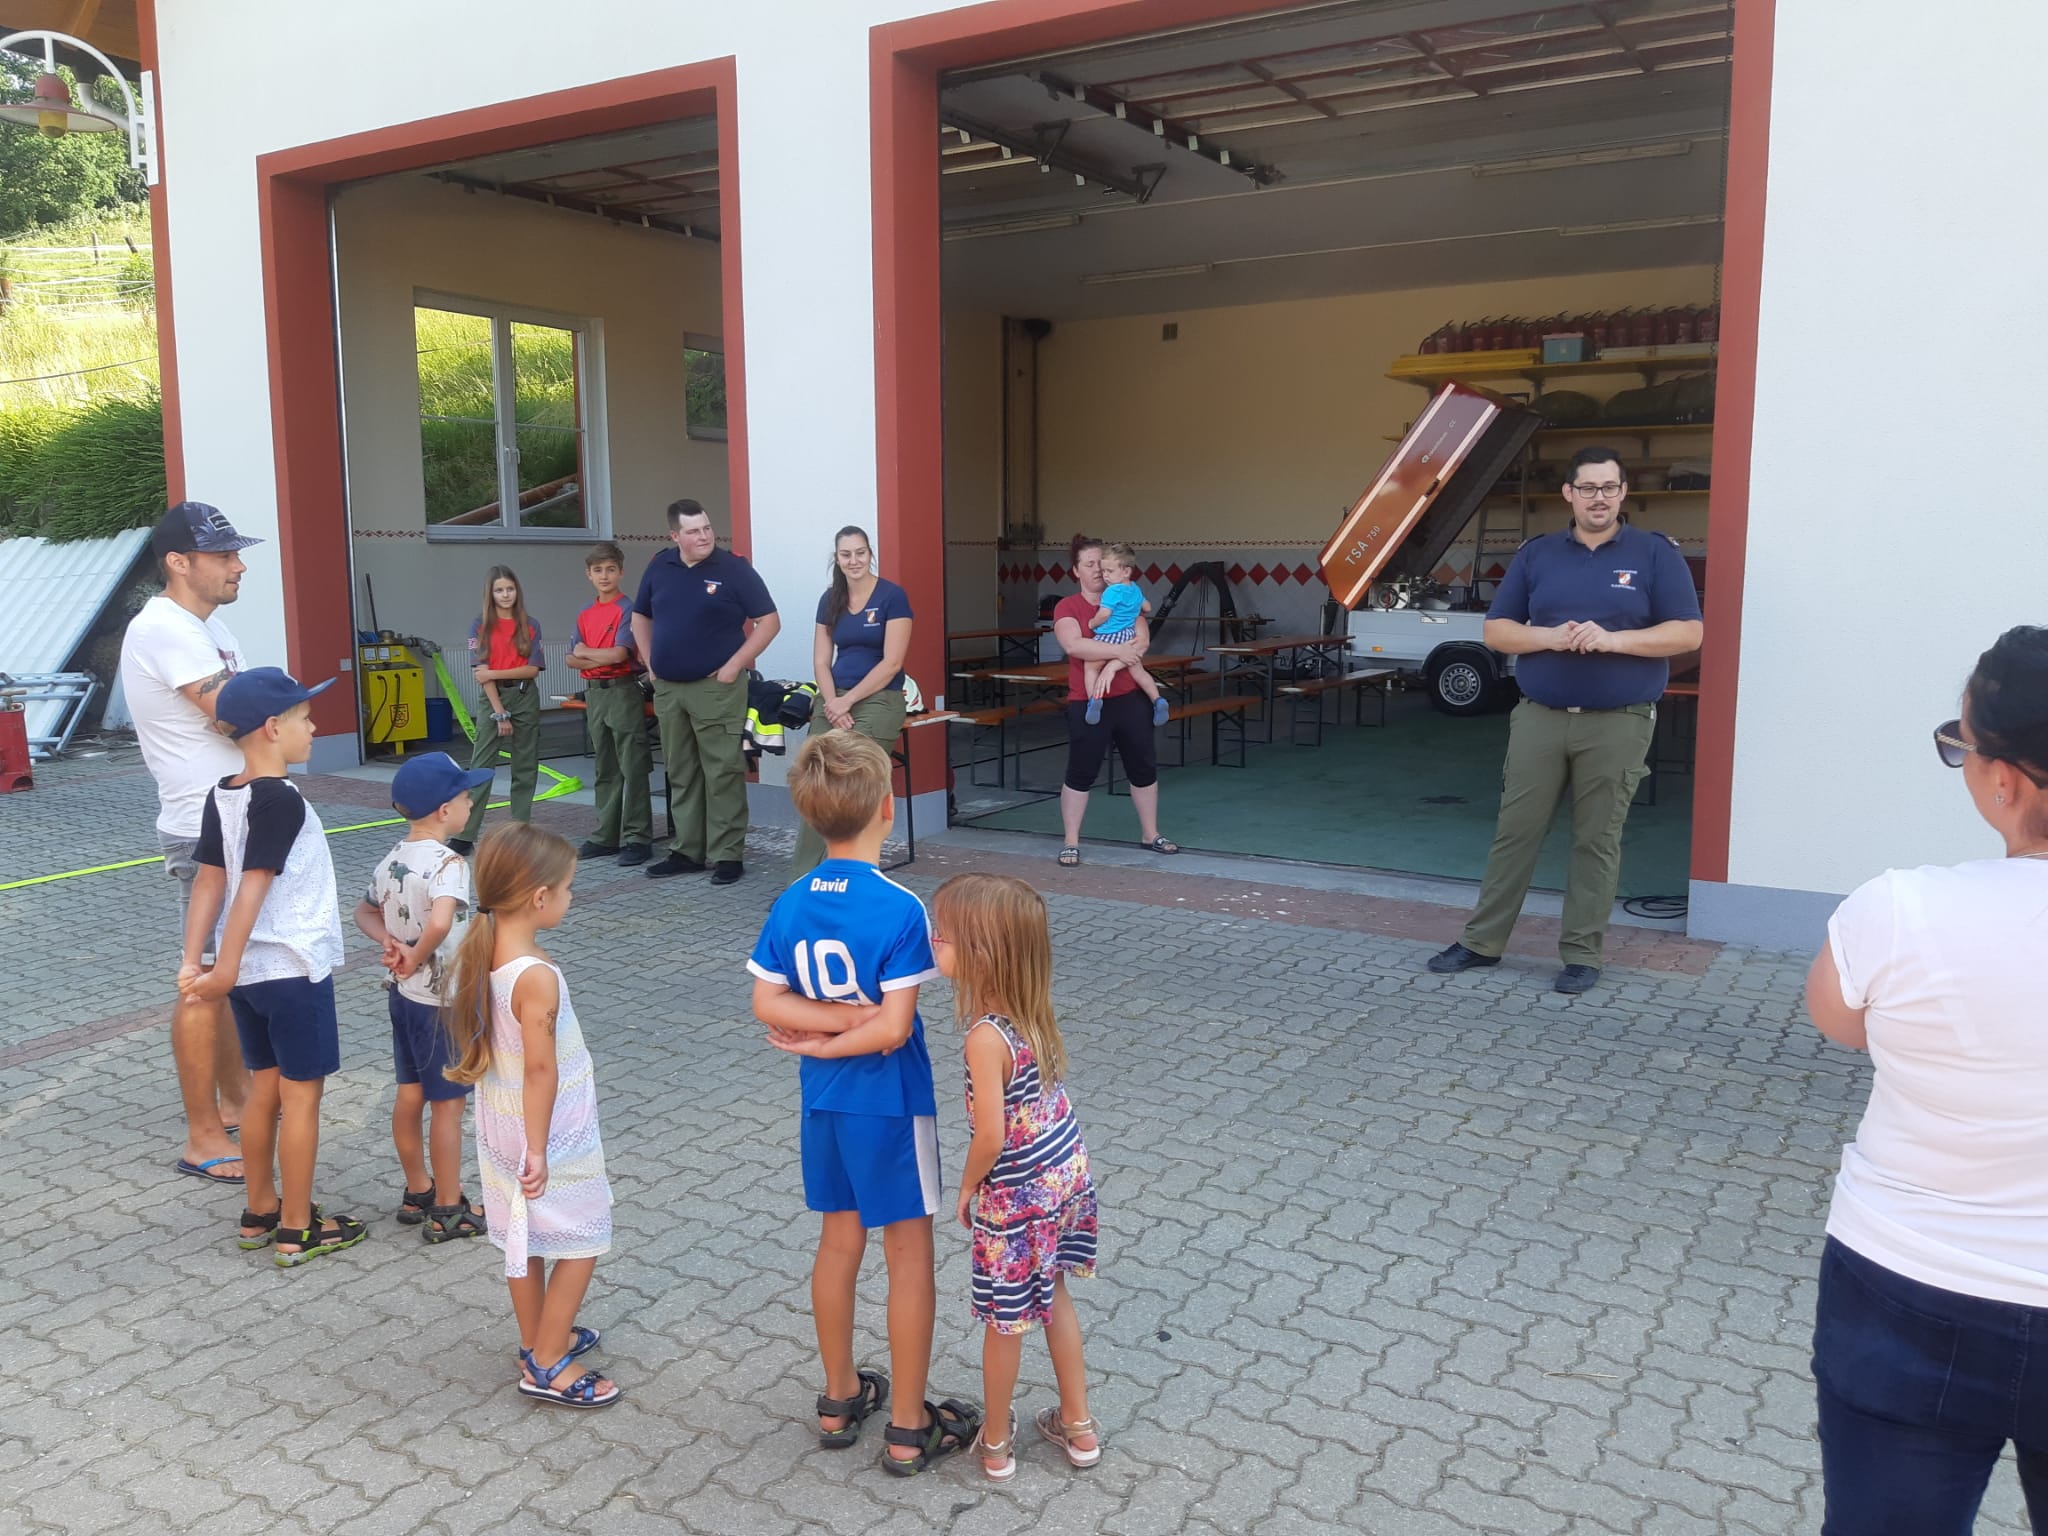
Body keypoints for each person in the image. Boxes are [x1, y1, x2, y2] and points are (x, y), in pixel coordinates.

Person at [1803, 626, 2048, 1534]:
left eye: (1961, 744)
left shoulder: (1899, 909)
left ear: (2004, 780)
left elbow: (1840, 1023)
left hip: (1906, 1291)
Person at [750, 731, 981, 1474]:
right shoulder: (899, 906)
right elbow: (893, 1027)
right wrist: (853, 1028)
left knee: (837, 1241)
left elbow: (766, 1002)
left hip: (822, 1102)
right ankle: (909, 1426)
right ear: (887, 808)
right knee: (907, 1252)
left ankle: (839, 1396)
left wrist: (821, 1035)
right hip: (890, 1103)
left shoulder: (791, 898)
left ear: (811, 815)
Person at [1425, 448, 1702, 994]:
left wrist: (1613, 641)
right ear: (1569, 494)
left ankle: (1582, 955)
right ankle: (1482, 943)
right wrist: (1551, 636)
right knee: (1515, 834)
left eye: (1609, 487)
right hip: (1540, 719)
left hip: (1619, 722)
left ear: (1623, 493)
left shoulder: (1655, 554)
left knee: (1597, 841)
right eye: (1588, 488)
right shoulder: (1537, 554)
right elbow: (1497, 630)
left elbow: (1688, 632)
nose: (1599, 497)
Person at [178, 668, 366, 1267]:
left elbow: (209, 881)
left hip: (251, 977)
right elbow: (253, 885)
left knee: (265, 1088)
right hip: (291, 967)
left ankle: (260, 1208)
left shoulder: (224, 791)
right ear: (272, 727)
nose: (314, 728)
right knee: (301, 1097)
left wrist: (196, 961)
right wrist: (223, 966)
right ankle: (297, 1227)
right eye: (305, 718)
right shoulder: (281, 797)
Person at [443, 823, 620, 1409]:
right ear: (539, 897)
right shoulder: (535, 975)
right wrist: (540, 1150)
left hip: (502, 1122)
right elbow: (542, 1070)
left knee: (527, 1233)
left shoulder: (486, 948)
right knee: (582, 1236)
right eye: (567, 888)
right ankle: (548, 1364)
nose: (571, 896)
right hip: (550, 1130)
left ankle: (536, 1339)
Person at [933, 873, 1101, 1484]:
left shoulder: (985, 1037)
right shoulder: (1030, 1010)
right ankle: (1079, 1426)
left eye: (941, 935)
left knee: (1006, 1322)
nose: (931, 942)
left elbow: (990, 1136)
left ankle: (997, 1443)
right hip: (1065, 1178)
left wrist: (967, 1187)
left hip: (1018, 1198)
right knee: (1054, 1295)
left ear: (981, 954)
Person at [118, 501, 256, 1186]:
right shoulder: (164, 628)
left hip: (234, 815)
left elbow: (251, 707)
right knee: (203, 979)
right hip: (204, 826)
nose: (239, 566)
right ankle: (203, 1135)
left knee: (227, 973)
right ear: (178, 562)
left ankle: (235, 1102)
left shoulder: (208, 627)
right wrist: (271, 707)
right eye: (223, 555)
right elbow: (236, 713)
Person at [353, 751, 494, 1243]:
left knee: (410, 1092)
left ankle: (418, 1190)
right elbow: (441, 921)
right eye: (466, 797)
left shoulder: (392, 858)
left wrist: (390, 944)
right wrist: (415, 954)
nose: (471, 804)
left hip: (403, 996)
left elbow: (363, 913)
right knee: (448, 1104)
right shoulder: (449, 863)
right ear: (444, 810)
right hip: (443, 1001)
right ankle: (449, 1208)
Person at [631, 499, 781, 885]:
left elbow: (769, 621)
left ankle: (727, 854)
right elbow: (640, 616)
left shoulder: (733, 569)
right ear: (675, 535)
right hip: (669, 689)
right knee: (681, 771)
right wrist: (650, 663)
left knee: (722, 772)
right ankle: (687, 850)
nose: (704, 536)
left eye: (707, 528)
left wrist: (734, 665)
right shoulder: (660, 566)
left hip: (716, 689)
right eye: (694, 531)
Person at [790, 524, 913, 879]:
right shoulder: (830, 599)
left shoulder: (892, 596)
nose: (854, 560)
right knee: (815, 779)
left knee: (854, 782)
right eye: (846, 554)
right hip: (834, 697)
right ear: (837, 558)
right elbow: (820, 661)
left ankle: (852, 877)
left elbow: (892, 663)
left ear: (870, 554)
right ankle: (804, 880)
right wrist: (832, 702)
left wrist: (849, 702)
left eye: (860, 552)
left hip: (879, 697)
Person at [1051, 537, 1179, 869]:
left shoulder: (1126, 596)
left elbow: (1143, 641)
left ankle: (1151, 834)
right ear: (1076, 570)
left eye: (1102, 563)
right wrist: (1120, 652)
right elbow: (1075, 646)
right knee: (1081, 771)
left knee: (1143, 767)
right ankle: (1071, 841)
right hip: (1087, 700)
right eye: (1089, 564)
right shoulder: (1068, 607)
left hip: (1129, 699)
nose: (1097, 570)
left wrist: (1111, 663)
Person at [566, 541, 653, 867]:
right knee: (605, 767)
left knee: (632, 764)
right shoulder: (585, 614)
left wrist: (586, 652)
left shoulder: (627, 609)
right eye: (598, 570)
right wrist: (590, 656)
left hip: (622, 691)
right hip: (595, 693)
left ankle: (638, 837)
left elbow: (619, 654)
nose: (605, 576)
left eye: (611, 569)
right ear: (588, 574)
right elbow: (570, 659)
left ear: (621, 572)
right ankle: (606, 835)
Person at [453, 565, 543, 855]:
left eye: (510, 589)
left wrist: (493, 673)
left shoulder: (531, 624)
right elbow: (481, 675)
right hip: (492, 698)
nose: (505, 595)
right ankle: (465, 834)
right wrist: (499, 712)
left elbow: (531, 670)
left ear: (518, 591)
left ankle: (520, 830)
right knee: (481, 765)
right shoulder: (479, 625)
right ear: (490, 594)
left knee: (525, 766)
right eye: (499, 590)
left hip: (524, 695)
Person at [1082, 543, 1168, 729]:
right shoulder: (1135, 588)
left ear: (1126, 571)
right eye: (1103, 571)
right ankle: (1157, 700)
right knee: (1138, 672)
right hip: (1129, 637)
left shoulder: (1112, 591)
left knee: (1090, 667)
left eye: (1110, 571)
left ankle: (1093, 701)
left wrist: (1092, 623)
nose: (1105, 575)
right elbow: (1147, 607)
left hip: (1109, 637)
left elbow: (1104, 614)